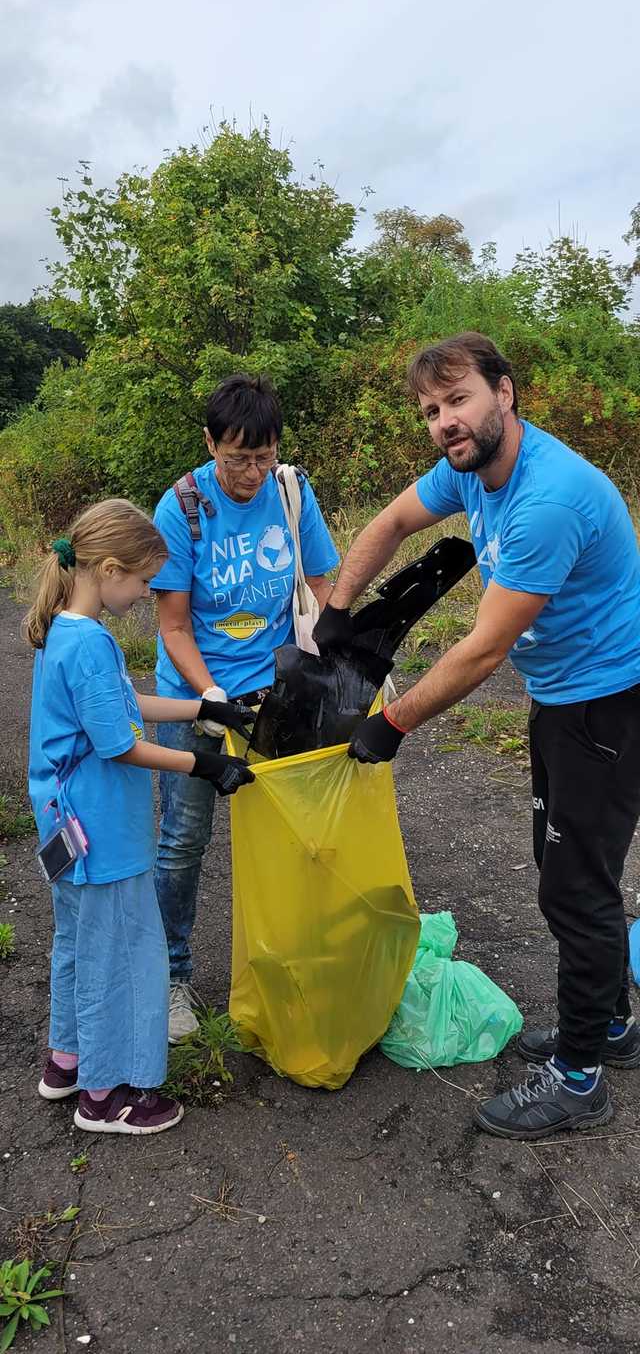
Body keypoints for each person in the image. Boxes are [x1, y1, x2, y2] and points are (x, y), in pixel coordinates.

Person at [313, 331, 640, 1140]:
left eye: (458, 399)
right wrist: (334, 616)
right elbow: (390, 523)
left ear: (505, 393)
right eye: (430, 410)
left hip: (606, 705)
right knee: (566, 868)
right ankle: (610, 1027)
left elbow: (483, 648)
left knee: (575, 887)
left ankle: (579, 1079)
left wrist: (392, 722)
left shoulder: (548, 499)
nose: (443, 421)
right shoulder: (472, 470)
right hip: (565, 696)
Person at [26, 499, 254, 1137]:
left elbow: (125, 705)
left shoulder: (59, 631)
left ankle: (67, 1060)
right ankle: (107, 1096)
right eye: (144, 581)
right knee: (122, 954)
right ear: (108, 568)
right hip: (103, 833)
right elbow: (118, 743)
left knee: (77, 941)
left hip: (63, 825)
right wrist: (202, 767)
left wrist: (208, 708)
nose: (147, 594)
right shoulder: (92, 643)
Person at [151, 373, 339, 1040]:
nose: (251, 473)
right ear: (210, 444)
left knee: (293, 833)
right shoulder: (182, 507)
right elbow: (174, 628)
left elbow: (318, 579)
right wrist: (211, 697)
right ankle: (171, 979)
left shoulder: (291, 490)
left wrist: (314, 646)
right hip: (197, 701)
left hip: (273, 696)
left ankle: (291, 959)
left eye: (263, 457)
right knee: (184, 841)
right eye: (237, 458)